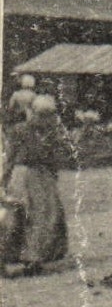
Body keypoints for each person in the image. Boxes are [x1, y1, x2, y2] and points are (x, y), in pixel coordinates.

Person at [2, 95, 73, 277]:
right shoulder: (20, 130)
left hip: (41, 176)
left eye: (47, 115)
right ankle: (17, 257)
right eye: (40, 114)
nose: (44, 119)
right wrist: (4, 178)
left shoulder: (51, 132)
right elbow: (10, 156)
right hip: (24, 174)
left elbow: (55, 158)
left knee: (43, 216)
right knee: (19, 216)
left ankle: (33, 258)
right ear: (32, 112)